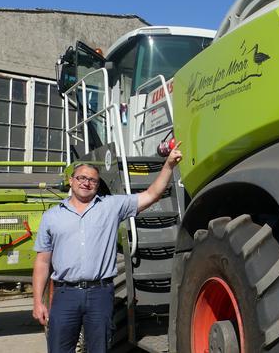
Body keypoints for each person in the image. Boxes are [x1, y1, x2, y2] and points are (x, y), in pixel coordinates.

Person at [32, 143, 182, 353]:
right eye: (81, 178)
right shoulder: (51, 217)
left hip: (99, 294)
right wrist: (38, 301)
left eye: (92, 180)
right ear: (71, 181)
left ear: (97, 184)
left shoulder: (111, 206)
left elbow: (151, 195)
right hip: (65, 294)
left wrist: (168, 165)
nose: (86, 183)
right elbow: (42, 261)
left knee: (99, 349)